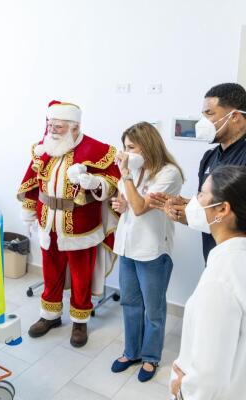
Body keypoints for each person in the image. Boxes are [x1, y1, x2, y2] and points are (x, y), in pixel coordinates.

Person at [17, 100, 120, 347]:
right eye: (50, 125)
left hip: (81, 225)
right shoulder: (43, 148)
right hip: (47, 223)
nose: (52, 130)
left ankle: (79, 321)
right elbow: (32, 182)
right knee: (50, 271)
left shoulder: (97, 150)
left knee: (81, 276)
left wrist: (94, 183)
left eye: (58, 127)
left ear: (75, 127)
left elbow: (113, 183)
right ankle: (50, 316)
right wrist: (28, 212)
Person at [110, 122, 184, 382]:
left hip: (153, 251)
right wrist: (121, 205)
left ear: (147, 145)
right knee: (130, 302)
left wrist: (126, 176)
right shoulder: (133, 169)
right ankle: (131, 352)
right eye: (124, 147)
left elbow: (140, 208)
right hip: (127, 246)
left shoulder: (169, 174)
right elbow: (129, 205)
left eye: (131, 147)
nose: (126, 152)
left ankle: (151, 357)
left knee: (153, 309)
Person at [170, 165, 246, 399]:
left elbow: (208, 376)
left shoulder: (220, 280)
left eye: (201, 194)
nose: (194, 201)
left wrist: (183, 390)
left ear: (222, 209)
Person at [150, 83, 246, 262]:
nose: (203, 122)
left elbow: (236, 213)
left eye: (210, 113)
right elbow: (211, 205)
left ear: (235, 116)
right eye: (203, 115)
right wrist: (187, 208)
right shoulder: (209, 157)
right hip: (212, 255)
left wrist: (193, 214)